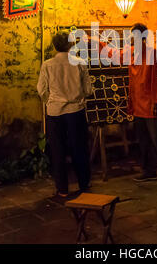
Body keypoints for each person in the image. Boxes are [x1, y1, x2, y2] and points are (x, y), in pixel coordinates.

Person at [100, 23, 157, 186]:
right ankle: (149, 171)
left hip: (150, 104)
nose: (132, 39)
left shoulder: (153, 55)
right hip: (138, 104)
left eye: (135, 37)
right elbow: (113, 54)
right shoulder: (131, 52)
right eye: (132, 37)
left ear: (143, 38)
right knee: (143, 140)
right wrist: (97, 42)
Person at [37, 31, 92, 198]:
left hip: (54, 113)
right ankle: (83, 183)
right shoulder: (80, 63)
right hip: (75, 111)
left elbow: (41, 89)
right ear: (70, 45)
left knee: (58, 150)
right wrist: (77, 97)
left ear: (54, 46)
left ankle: (62, 189)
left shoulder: (47, 64)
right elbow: (88, 90)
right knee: (79, 148)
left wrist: (52, 101)